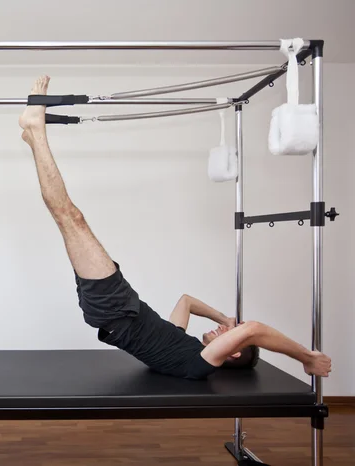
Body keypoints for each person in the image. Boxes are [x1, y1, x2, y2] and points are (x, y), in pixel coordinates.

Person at [18, 76, 332, 380]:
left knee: (69, 217)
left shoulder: (200, 364)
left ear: (233, 352)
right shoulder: (184, 346)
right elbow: (186, 301)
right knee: (68, 218)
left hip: (115, 308)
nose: (227, 330)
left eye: (230, 335)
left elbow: (254, 330)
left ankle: (36, 132)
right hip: (118, 307)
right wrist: (223, 318)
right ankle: (33, 136)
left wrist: (307, 357)